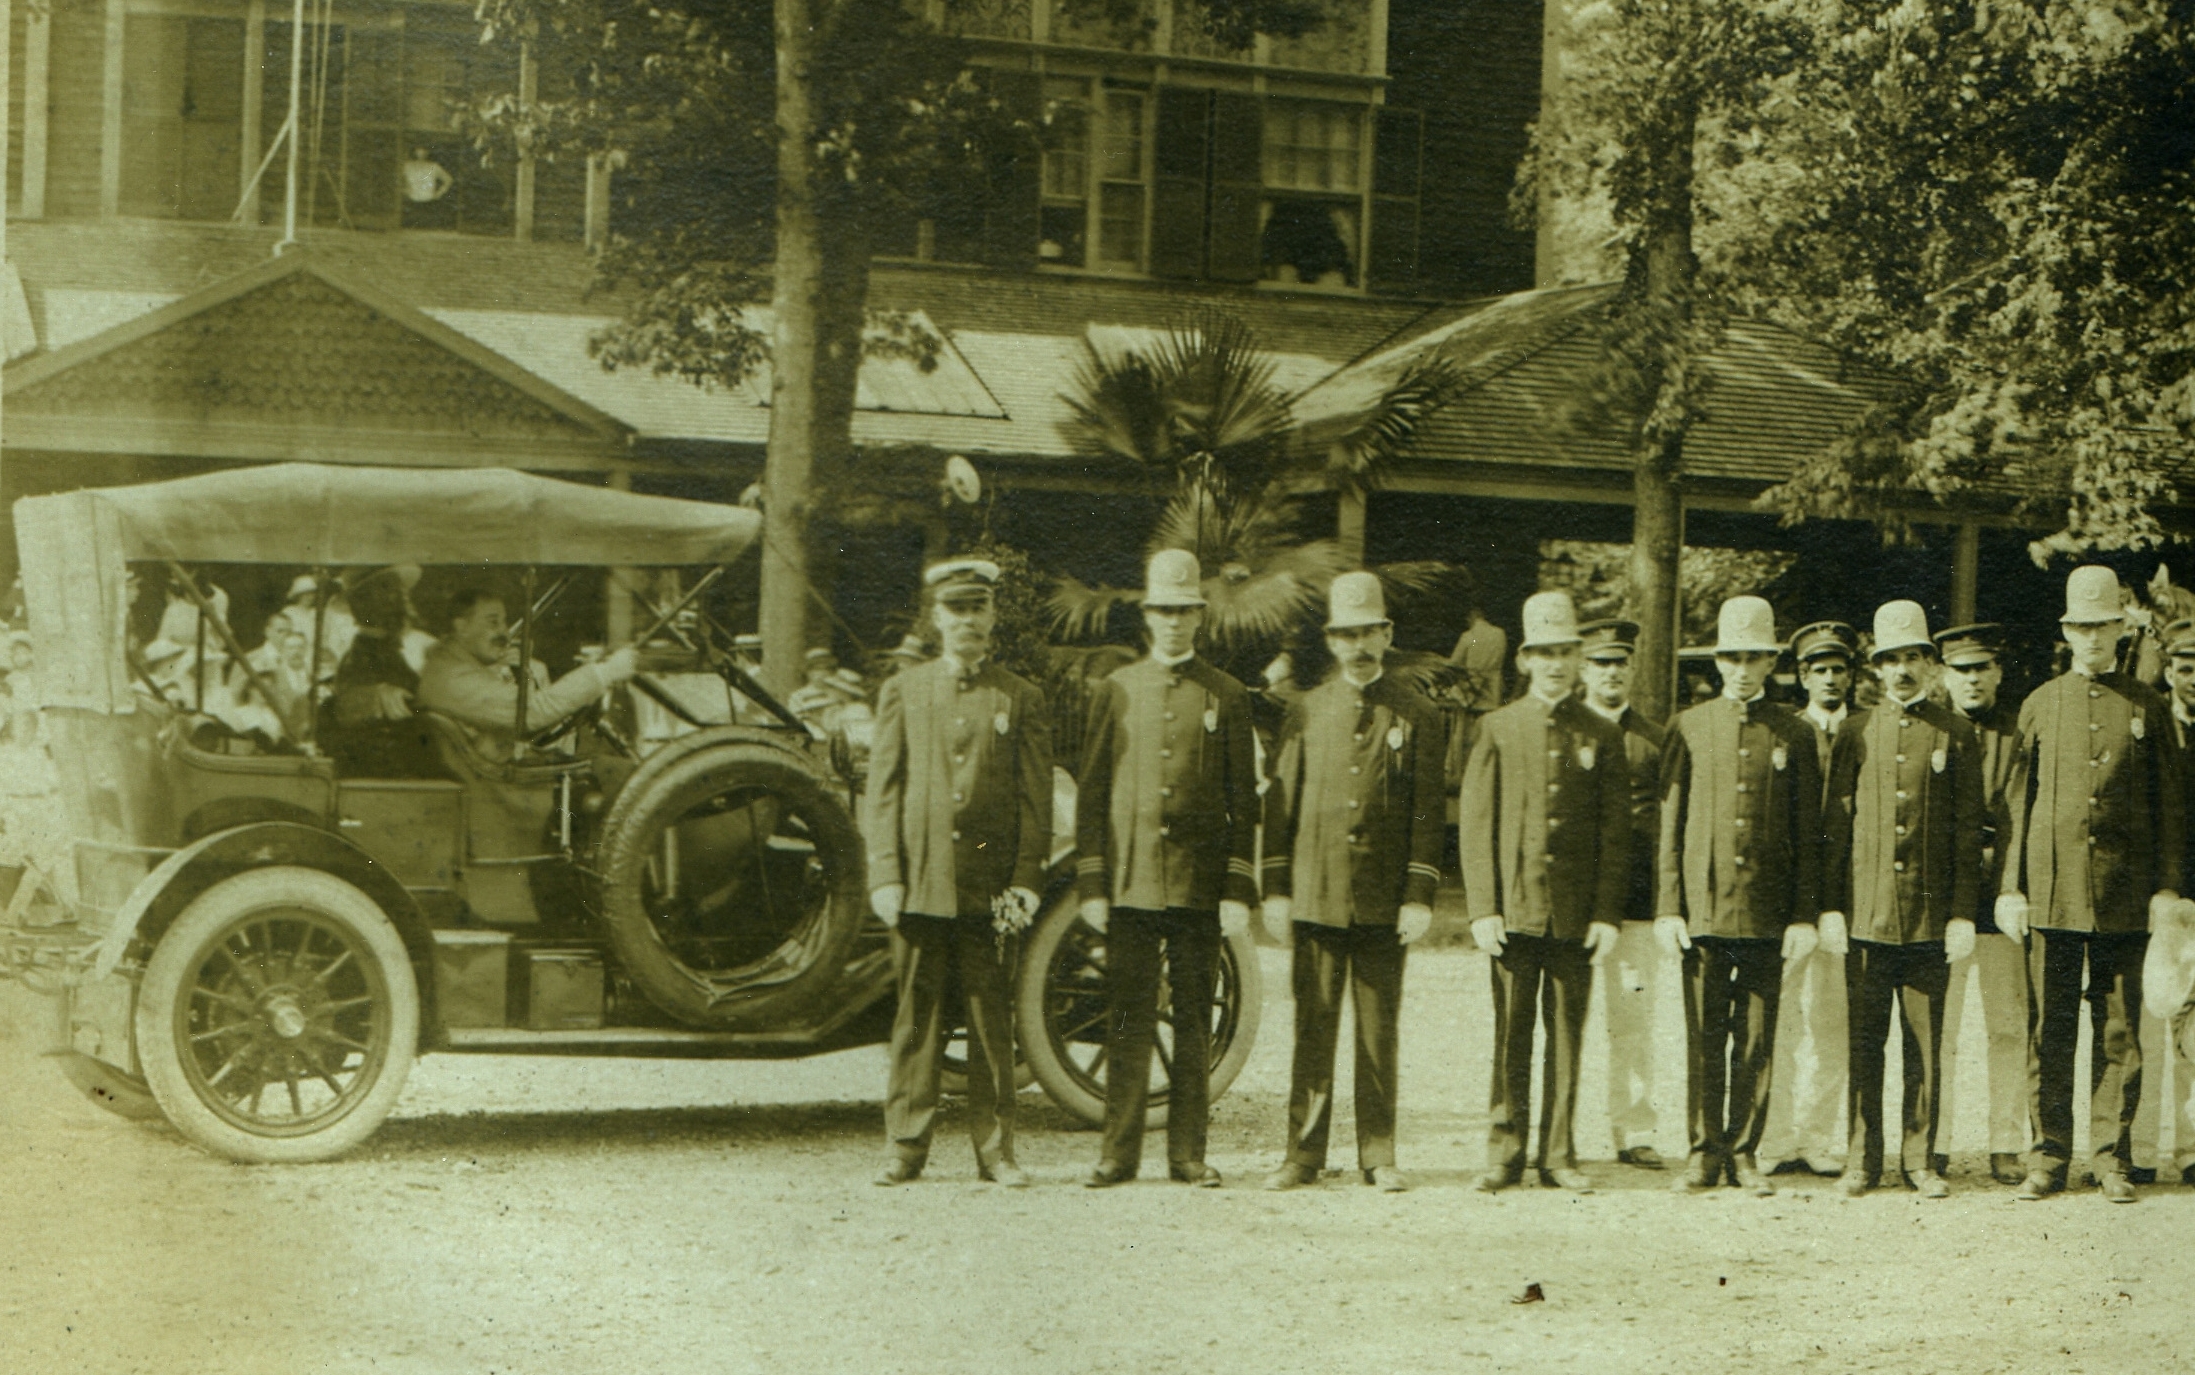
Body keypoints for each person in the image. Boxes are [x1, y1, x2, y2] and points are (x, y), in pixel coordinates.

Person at [1998, 565, 2183, 1204]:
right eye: (2082, 626)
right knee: (2049, 1028)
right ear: (2067, 633)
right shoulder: (2041, 703)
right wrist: (2011, 888)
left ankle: (2111, 1158)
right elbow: (2018, 806)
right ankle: (2047, 1155)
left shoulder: (2148, 707)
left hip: (2125, 896)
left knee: (2120, 1032)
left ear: (2120, 630)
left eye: (2104, 626)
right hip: (2052, 892)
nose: (2093, 638)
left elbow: (2170, 807)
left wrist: (2166, 887)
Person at [865, 558, 1052, 1189]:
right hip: (920, 883)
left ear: (994, 617)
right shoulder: (905, 690)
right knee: (915, 1018)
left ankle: (996, 1152)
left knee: (990, 1020)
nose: (967, 621)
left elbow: (1034, 799)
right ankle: (905, 1146)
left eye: (978, 609)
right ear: (936, 618)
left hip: (990, 888)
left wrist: (1025, 879)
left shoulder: (1019, 696)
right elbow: (884, 790)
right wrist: (886, 873)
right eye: (955, 609)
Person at [1076, 550, 1259, 1189]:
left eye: (1185, 612)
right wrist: (1094, 879)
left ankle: (1188, 1153)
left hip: (1197, 885)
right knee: (1127, 1017)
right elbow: (1093, 792)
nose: (1174, 623)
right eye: (1164, 612)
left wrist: (1237, 885)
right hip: (1130, 882)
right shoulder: (1118, 690)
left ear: (1199, 618)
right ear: (1148, 618)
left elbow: (1245, 800)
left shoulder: (1227, 696)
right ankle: (1117, 1152)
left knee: (1191, 1024)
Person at [1261, 572, 1445, 1193]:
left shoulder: (1417, 713)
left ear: (1388, 635)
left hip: (1381, 900)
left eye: (1369, 631)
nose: (1358, 645)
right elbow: (1280, 808)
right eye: (1347, 634)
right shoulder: (1307, 710)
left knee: (1376, 1033)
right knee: (1313, 1028)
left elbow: (1426, 812)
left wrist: (1419, 893)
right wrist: (1278, 888)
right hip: (1316, 895)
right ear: (1332, 642)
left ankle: (1378, 1154)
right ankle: (1302, 1155)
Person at [1461, 590, 1629, 1193]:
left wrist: (1606, 914)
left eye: (1565, 652)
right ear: (1526, 660)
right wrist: (1483, 906)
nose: (1555, 663)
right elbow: (1477, 826)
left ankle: (1558, 1154)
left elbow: (1615, 833)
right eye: (1543, 653)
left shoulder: (1600, 734)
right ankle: (1504, 1153)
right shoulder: (1498, 727)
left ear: (1579, 658)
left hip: (1575, 917)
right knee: (1511, 1033)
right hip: (1514, 911)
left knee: (1566, 1034)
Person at [1657, 595, 1825, 1196]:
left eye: (1755, 658)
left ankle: (1744, 1150)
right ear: (1718, 661)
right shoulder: (1689, 724)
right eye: (1733, 657)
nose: (1743, 669)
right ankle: (1703, 1151)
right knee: (1704, 1034)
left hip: (1766, 911)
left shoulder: (1795, 732)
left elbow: (1809, 831)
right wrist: (1669, 905)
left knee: (1756, 1038)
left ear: (1771, 662)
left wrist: (1803, 914)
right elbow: (1671, 824)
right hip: (1703, 907)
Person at [1818, 602, 1982, 1198]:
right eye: (1892, 660)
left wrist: (1962, 911)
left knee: (1926, 1048)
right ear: (1876, 669)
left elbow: (1968, 831)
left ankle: (1920, 1160)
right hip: (1867, 917)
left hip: (1929, 920)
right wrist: (1831, 906)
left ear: (1932, 665)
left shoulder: (1956, 733)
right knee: (1865, 1042)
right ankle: (1862, 1159)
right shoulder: (1855, 730)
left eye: (1914, 657)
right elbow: (1834, 826)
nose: (1903, 669)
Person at [1932, 622, 2033, 1185]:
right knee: (1940, 1029)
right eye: (1961, 670)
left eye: (1981, 669)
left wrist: (2013, 887)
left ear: (1997, 672)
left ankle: (2005, 1142)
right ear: (1945, 675)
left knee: (2007, 1026)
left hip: (2000, 897)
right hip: (1945, 902)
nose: (1972, 680)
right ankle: (1938, 1142)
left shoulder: (2018, 732)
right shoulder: (1935, 730)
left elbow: (2022, 815)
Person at [1760, 620, 1858, 1179]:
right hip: (1788, 903)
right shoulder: (1784, 731)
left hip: (1844, 902)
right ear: (1801, 676)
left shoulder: (1865, 732)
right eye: (1818, 670)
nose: (1829, 679)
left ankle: (1819, 1137)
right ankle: (1773, 1138)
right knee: (1780, 1023)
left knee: (1831, 1023)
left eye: (1838, 669)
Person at [1576, 617, 1671, 1170]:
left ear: (1633, 669)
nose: (1611, 673)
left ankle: (1632, 1131)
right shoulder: (1562, 730)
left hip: (1633, 903)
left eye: (1620, 663)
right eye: (1600, 662)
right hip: (1567, 904)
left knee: (1633, 1020)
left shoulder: (1655, 739)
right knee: (1560, 1022)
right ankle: (1553, 1134)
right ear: (1584, 669)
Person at [416, 587, 637, 761]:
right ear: (462, 627)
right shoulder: (455, 679)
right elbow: (532, 713)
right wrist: (604, 673)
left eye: (504, 622)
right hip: (508, 794)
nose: (503, 632)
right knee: (617, 773)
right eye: (493, 622)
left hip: (504, 777)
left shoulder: (450, 666)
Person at [2131, 616, 2195, 1187]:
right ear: (2169, 669)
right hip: (2160, 898)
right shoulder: (2149, 722)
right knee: (2155, 1018)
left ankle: (2193, 1149)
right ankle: (2143, 1150)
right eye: (2186, 666)